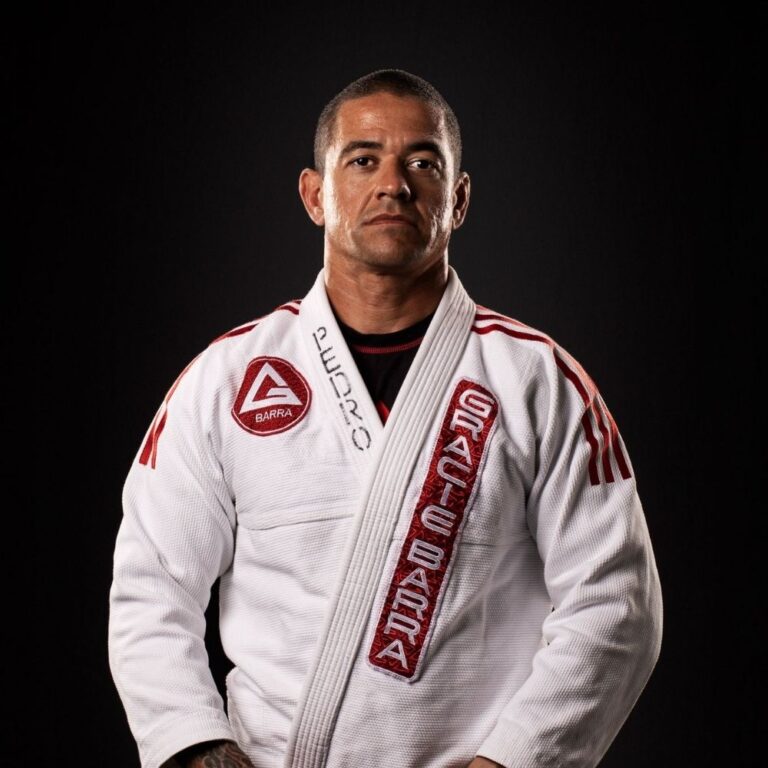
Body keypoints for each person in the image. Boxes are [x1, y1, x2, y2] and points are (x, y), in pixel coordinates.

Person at [109, 69, 663, 768]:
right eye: (363, 159)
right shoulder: (225, 380)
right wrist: (199, 749)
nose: (393, 185)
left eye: (423, 163)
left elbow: (616, 603)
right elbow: (151, 586)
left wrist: (513, 761)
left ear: (459, 199)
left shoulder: (538, 381)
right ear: (315, 195)